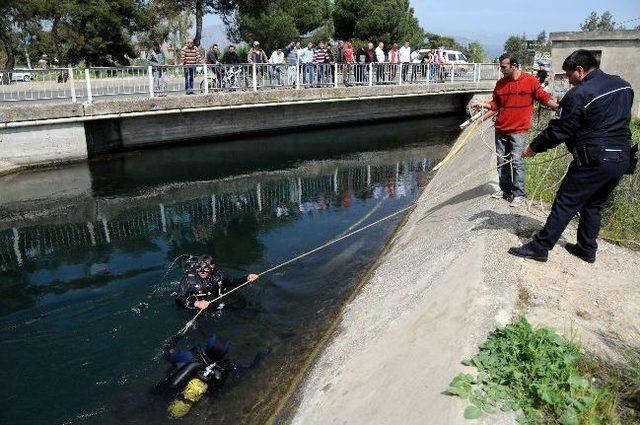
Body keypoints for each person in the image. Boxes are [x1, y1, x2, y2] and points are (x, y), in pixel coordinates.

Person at [508, 50, 636, 263]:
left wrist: (533, 148)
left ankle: (540, 246)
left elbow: (559, 130)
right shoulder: (624, 85)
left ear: (580, 70)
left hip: (594, 159)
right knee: (594, 204)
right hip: (622, 158)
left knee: (566, 201)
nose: (568, 81)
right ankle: (587, 249)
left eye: (569, 75)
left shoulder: (580, 94)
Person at [471, 52, 558, 207]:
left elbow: (544, 98)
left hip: (519, 130)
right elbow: (496, 104)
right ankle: (506, 190)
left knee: (517, 162)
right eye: (501, 66)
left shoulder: (530, 81)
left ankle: (519, 194)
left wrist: (559, 107)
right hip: (501, 129)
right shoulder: (500, 84)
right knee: (501, 161)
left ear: (514, 66)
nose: (501, 69)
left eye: (504, 67)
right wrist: (482, 105)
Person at [161, 334, 267, 418]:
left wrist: (174, 340)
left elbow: (167, 354)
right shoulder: (224, 369)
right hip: (195, 399)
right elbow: (243, 370)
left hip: (173, 390)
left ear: (207, 348)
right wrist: (258, 359)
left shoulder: (189, 356)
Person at [175, 255, 259, 310]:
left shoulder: (219, 275)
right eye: (199, 268)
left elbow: (233, 282)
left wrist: (247, 279)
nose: (201, 271)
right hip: (195, 308)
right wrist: (196, 303)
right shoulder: (188, 279)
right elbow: (179, 298)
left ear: (212, 267)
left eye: (205, 268)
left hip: (216, 305)